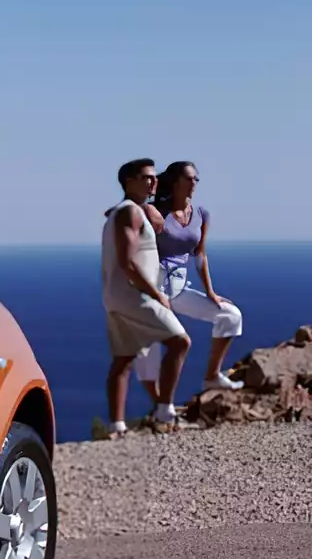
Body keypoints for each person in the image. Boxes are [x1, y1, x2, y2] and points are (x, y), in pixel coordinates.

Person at [132, 160, 244, 398]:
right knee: (153, 350)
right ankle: (161, 405)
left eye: (196, 179)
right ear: (175, 182)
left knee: (231, 316)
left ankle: (212, 377)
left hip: (178, 289)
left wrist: (210, 292)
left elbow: (200, 255)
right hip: (153, 291)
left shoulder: (201, 215)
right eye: (189, 178)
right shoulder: (154, 212)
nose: (194, 183)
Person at [100, 158, 189, 438]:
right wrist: (156, 295)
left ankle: (117, 426)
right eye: (146, 177)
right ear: (129, 182)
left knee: (123, 360)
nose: (153, 182)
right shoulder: (130, 213)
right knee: (180, 341)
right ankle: (164, 411)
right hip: (133, 295)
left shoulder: (126, 211)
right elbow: (128, 262)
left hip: (115, 296)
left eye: (154, 177)